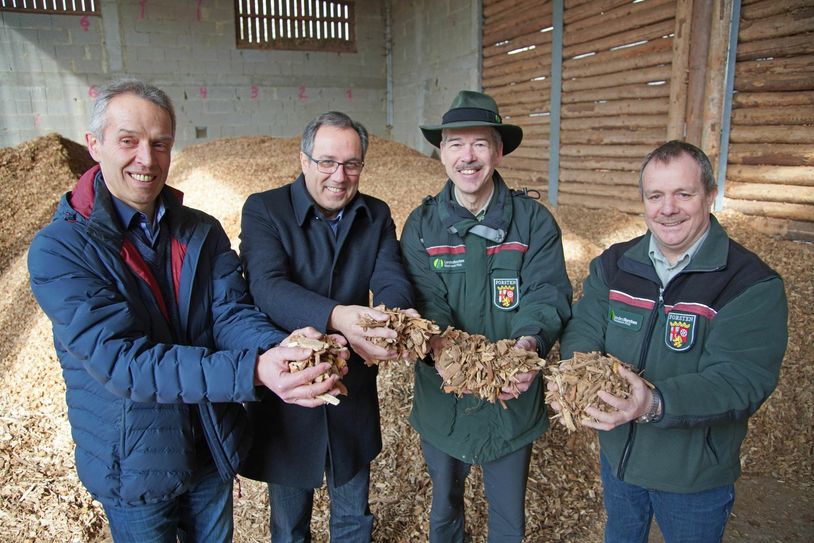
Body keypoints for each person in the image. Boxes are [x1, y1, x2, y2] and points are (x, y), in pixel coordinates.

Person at [27, 79, 346, 543]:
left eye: (160, 144)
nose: (147, 159)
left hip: (209, 443)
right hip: (135, 461)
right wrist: (254, 370)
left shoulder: (200, 230)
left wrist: (285, 347)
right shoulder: (61, 250)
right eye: (128, 141)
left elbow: (229, 314)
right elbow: (125, 363)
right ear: (94, 145)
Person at [553, 140, 788, 543]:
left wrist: (653, 402)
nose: (668, 208)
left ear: (711, 196)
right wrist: (577, 376)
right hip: (620, 459)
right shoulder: (616, 263)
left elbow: (740, 379)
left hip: (692, 473)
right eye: (655, 195)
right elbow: (585, 326)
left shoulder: (749, 283)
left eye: (684, 193)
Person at [399, 90, 573, 542]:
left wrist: (528, 344)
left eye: (480, 143)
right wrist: (438, 345)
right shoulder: (422, 225)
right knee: (443, 512)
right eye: (456, 144)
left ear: (497, 151)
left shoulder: (533, 222)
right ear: (441, 153)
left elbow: (546, 293)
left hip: (510, 403)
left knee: (509, 520)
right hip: (444, 398)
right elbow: (425, 298)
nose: (468, 156)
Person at [238, 111, 415, 542]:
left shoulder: (375, 214)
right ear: (304, 161)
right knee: (288, 523)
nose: (340, 175)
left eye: (351, 164)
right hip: (291, 390)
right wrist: (340, 317)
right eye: (327, 162)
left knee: (353, 516)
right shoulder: (265, 208)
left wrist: (388, 320)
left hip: (351, 387)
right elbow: (265, 285)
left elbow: (391, 277)